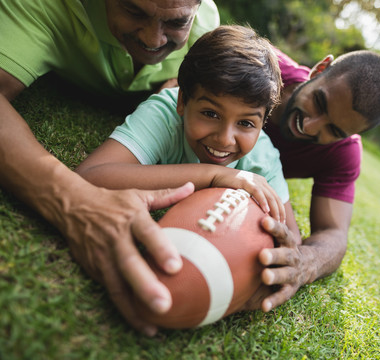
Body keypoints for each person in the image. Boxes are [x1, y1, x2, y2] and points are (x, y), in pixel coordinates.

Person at [0, 0, 219, 336]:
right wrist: (74, 201)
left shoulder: (206, 27)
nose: (154, 39)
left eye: (175, 22)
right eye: (134, 12)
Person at [75, 25, 299, 233]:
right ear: (182, 101)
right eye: (211, 114)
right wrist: (214, 175)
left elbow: (290, 236)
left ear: (262, 125)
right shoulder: (165, 113)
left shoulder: (263, 157)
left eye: (246, 123)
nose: (224, 139)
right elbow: (90, 176)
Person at [246, 48, 380, 313]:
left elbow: (334, 233)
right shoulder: (258, 61)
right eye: (319, 102)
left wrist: (305, 262)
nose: (311, 126)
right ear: (318, 70)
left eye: (334, 130)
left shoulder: (343, 153)